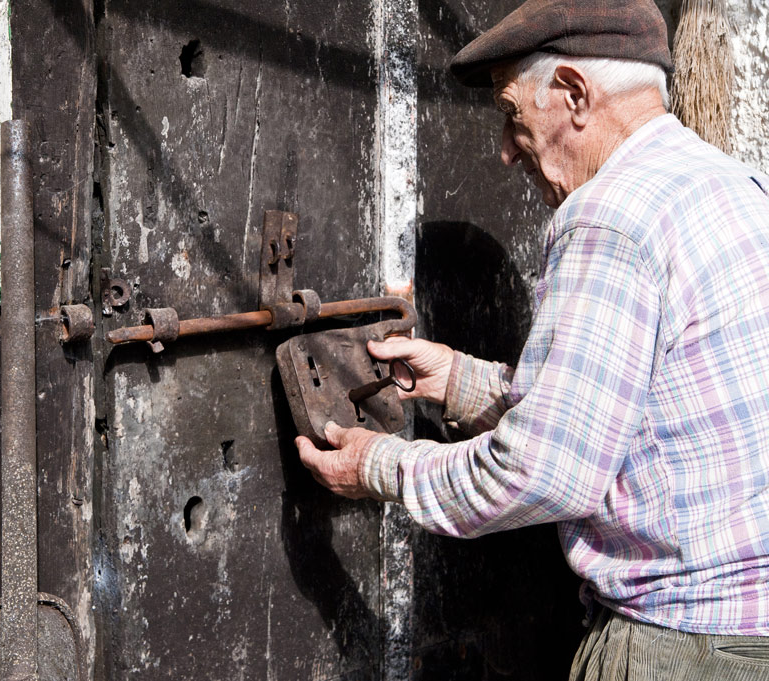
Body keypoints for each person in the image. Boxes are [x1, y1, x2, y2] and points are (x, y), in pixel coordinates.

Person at [295, 0, 769, 678]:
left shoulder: (609, 216)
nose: (505, 147)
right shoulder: (735, 186)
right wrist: (458, 379)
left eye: (513, 114)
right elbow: (634, 415)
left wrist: (378, 464)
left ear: (575, 94)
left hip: (681, 646)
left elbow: (538, 473)